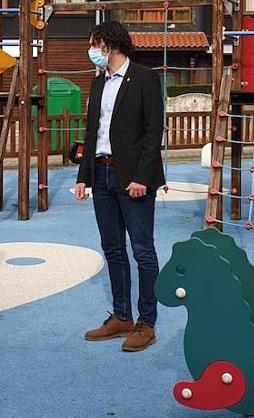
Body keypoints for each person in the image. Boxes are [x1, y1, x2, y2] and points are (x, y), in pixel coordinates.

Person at [73, 20, 166, 352]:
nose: (91, 50)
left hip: (133, 178)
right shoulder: (99, 84)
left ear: (109, 44)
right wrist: (83, 176)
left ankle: (146, 322)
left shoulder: (145, 78)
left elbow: (154, 132)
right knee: (112, 248)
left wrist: (141, 177)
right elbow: (91, 133)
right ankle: (122, 316)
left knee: (142, 250)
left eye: (93, 43)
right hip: (102, 174)